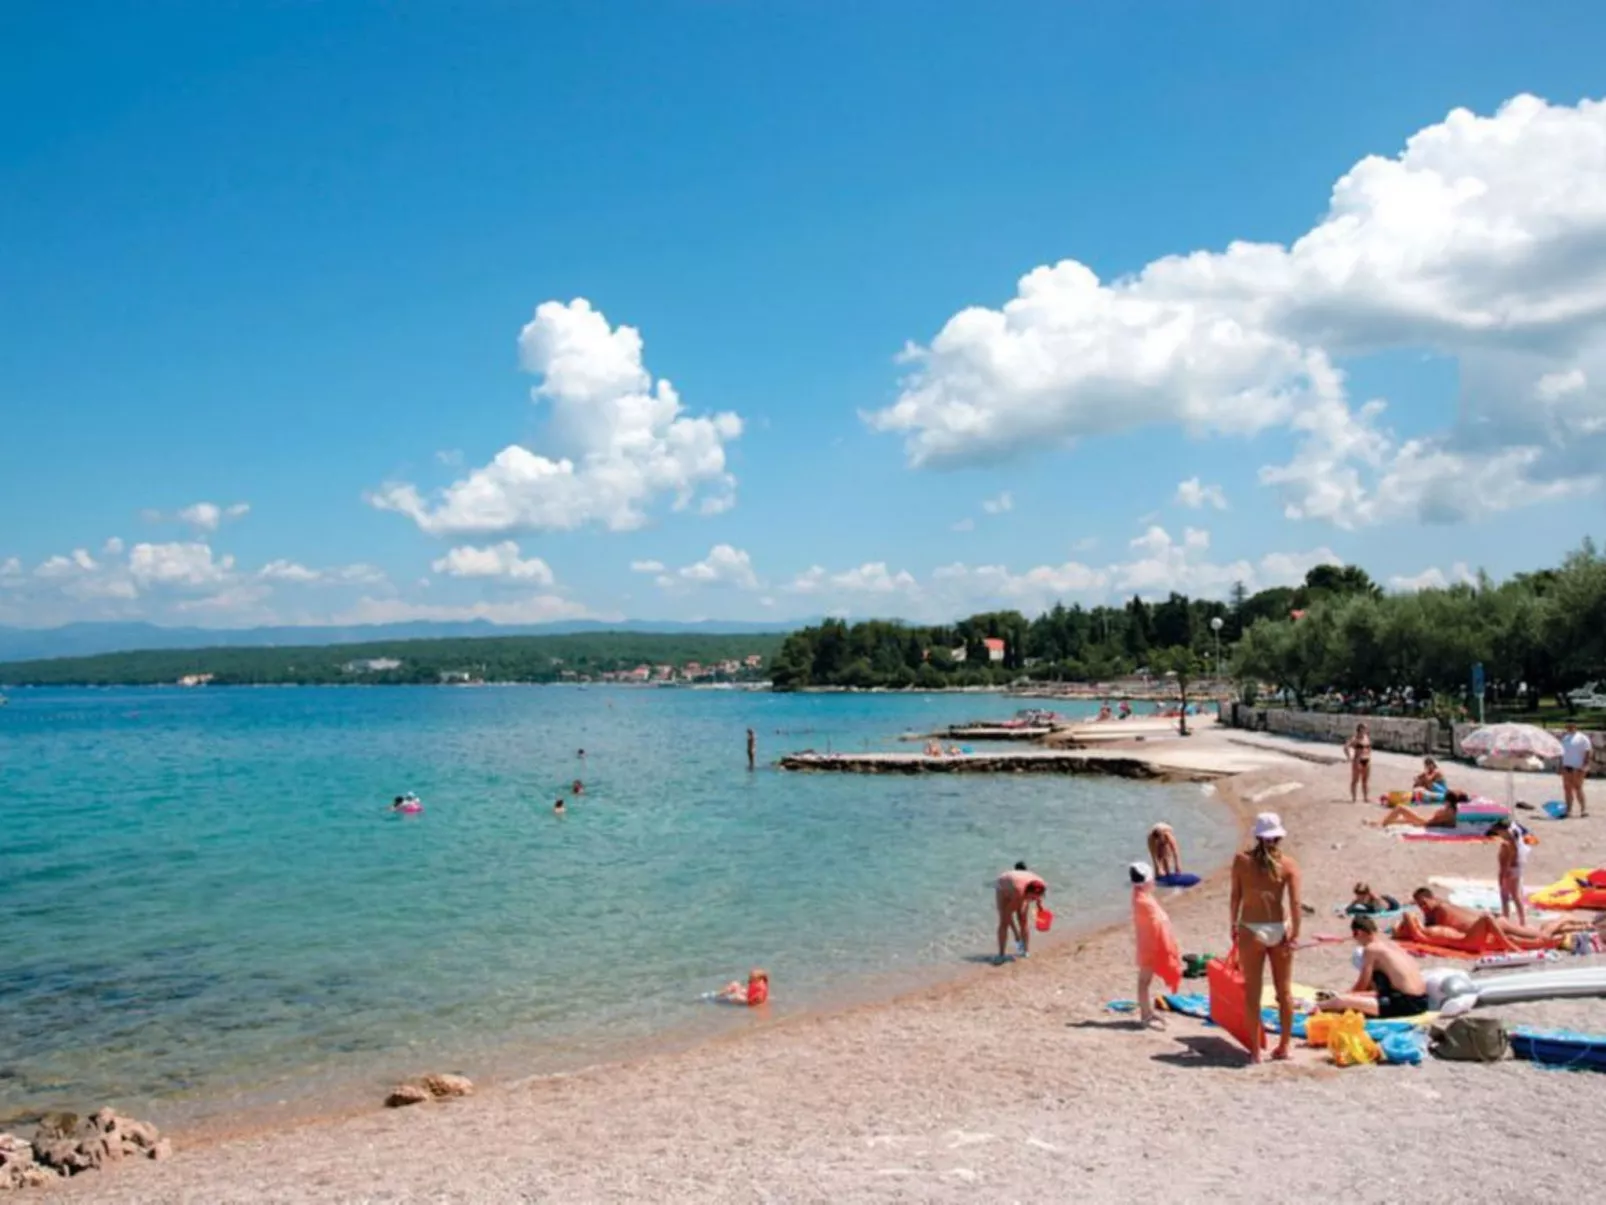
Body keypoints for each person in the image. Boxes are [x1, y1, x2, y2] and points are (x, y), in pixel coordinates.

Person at [1229, 812, 1301, 1063]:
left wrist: (1233, 925)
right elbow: (1295, 903)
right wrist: (1296, 933)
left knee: (1253, 992)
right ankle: (1284, 1047)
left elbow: (1235, 897)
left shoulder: (1241, 861)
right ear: (1278, 837)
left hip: (1251, 928)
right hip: (1279, 928)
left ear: (1257, 836)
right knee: (1284, 992)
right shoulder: (1289, 864)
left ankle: (1255, 1052)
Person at [1315, 916, 1430, 1018]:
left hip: (1405, 1004)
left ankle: (1313, 1006)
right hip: (1423, 1001)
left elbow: (1362, 985)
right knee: (1354, 998)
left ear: (1358, 933)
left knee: (1341, 1001)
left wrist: (1345, 996)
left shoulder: (1371, 949)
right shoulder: (1392, 944)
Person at [1406, 887, 1590, 944]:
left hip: (1491, 924)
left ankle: (1563, 919)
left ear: (1431, 898)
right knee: (1533, 933)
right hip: (1492, 923)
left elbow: (1431, 930)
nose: (1422, 908)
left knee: (1540, 937)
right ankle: (1573, 926)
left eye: (1423, 903)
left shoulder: (1439, 910)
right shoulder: (1439, 906)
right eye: (1419, 905)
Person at [1131, 862, 1181, 1028]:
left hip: (1148, 943)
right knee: (1144, 981)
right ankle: (1145, 1014)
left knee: (1145, 981)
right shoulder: (1143, 900)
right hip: (1150, 946)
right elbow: (1158, 922)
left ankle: (1147, 1012)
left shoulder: (1139, 895)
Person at [994, 862, 1048, 964]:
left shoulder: (1041, 884)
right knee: (1003, 922)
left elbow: (1039, 895)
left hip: (1021, 883)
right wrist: (1016, 934)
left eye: (1034, 898)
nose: (1032, 900)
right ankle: (1001, 955)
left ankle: (1025, 951)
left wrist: (1039, 906)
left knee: (1023, 919)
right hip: (1003, 886)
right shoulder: (1019, 892)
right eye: (1031, 898)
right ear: (1026, 893)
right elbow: (1007, 914)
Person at [1489, 819, 1530, 926]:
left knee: (1512, 896)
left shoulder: (1510, 841)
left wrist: (1506, 871)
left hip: (1510, 870)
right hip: (1511, 869)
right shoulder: (1511, 839)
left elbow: (1511, 856)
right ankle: (1511, 919)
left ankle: (1519, 921)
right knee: (1510, 895)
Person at [1561, 721, 1593, 818]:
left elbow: (1588, 751)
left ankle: (1583, 809)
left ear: (1575, 726)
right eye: (1568, 726)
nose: (1569, 727)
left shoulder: (1582, 738)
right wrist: (1560, 765)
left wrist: (1585, 765)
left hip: (1577, 767)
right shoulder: (1565, 738)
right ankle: (1568, 810)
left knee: (1578, 788)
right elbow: (1562, 752)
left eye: (1571, 725)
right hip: (1566, 766)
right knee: (1567, 789)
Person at [1377, 797, 1460, 828]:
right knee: (1403, 820)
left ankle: (1381, 824)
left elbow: (1436, 816)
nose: (1444, 802)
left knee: (1400, 808)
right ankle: (1380, 822)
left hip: (1424, 821)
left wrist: (1439, 812)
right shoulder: (1453, 812)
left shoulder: (1446, 811)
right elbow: (1452, 824)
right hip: (1426, 822)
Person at [1344, 722, 1372, 803]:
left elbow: (1369, 748)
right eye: (1364, 728)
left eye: (1366, 728)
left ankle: (1366, 798)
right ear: (1359, 729)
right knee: (1355, 780)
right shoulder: (1355, 738)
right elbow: (1346, 747)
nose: (1366, 730)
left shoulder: (1366, 737)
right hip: (1358, 760)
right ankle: (1354, 798)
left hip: (1366, 760)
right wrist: (1349, 757)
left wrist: (1369, 755)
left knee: (1365, 780)